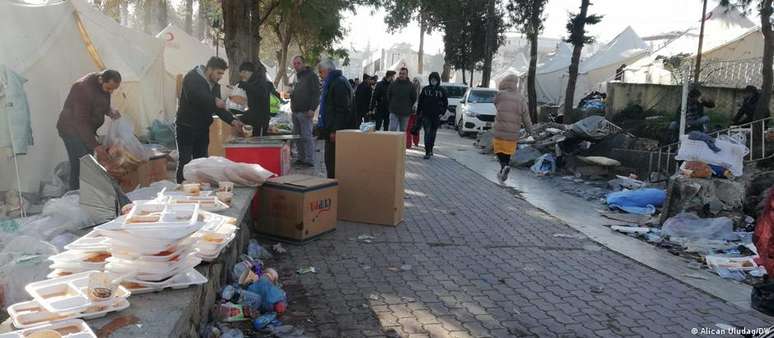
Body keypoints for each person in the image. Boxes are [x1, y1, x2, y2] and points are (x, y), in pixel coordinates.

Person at [175, 56, 244, 183]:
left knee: (202, 162)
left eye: (222, 74)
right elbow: (195, 96)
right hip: (186, 127)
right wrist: (213, 100)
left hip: (202, 128)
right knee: (185, 162)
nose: (220, 77)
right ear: (209, 69)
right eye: (218, 73)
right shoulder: (192, 77)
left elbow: (218, 108)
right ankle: (180, 189)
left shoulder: (215, 85)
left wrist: (232, 121)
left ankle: (199, 189)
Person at [57, 69, 123, 190]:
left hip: (87, 130)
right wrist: (96, 145)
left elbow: (101, 104)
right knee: (81, 164)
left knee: (90, 163)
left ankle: (88, 194)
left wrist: (110, 111)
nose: (111, 92)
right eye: (109, 89)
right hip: (71, 129)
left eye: (114, 89)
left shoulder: (104, 86)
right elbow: (81, 121)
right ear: (101, 80)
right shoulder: (82, 88)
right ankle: (75, 195)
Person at [317, 59, 354, 179]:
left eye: (321, 72)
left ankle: (333, 186)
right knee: (330, 161)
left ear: (327, 71)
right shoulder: (335, 81)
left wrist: (335, 130)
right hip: (333, 129)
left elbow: (342, 109)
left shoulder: (338, 83)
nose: (320, 75)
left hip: (337, 131)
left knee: (332, 162)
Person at [493, 74, 533, 182]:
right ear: (516, 84)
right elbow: (526, 116)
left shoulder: (500, 95)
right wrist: (530, 131)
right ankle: (504, 168)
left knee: (498, 149)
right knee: (507, 151)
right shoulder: (521, 98)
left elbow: (495, 104)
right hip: (513, 131)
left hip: (500, 129)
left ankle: (503, 166)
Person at [290, 55, 321, 167]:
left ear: (303, 63)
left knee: (306, 137)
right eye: (294, 64)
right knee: (298, 137)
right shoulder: (296, 76)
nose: (296, 66)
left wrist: (312, 108)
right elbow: (294, 91)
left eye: (298, 63)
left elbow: (316, 93)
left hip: (305, 112)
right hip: (295, 111)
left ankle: (309, 160)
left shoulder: (311, 75)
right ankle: (301, 158)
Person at [237, 62, 278, 136]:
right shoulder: (253, 81)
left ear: (245, 72)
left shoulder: (260, 80)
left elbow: (261, 93)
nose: (243, 78)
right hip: (254, 117)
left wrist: (246, 86)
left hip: (261, 120)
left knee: (259, 142)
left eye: (242, 75)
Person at [417, 72, 448, 159]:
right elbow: (420, 102)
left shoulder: (442, 90)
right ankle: (427, 151)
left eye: (435, 79)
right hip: (426, 115)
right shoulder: (425, 90)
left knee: (433, 134)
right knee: (427, 133)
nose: (433, 81)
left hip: (436, 116)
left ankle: (430, 149)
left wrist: (442, 113)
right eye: (431, 79)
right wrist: (418, 113)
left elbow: (445, 103)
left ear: (438, 80)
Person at [386, 67, 417, 132]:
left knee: (403, 130)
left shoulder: (411, 86)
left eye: (403, 74)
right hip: (394, 111)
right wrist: (392, 104)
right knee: (392, 129)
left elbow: (414, 98)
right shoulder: (393, 84)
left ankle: (401, 142)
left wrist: (408, 105)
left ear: (406, 75)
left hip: (405, 113)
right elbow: (388, 96)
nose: (401, 75)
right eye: (400, 73)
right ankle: (391, 142)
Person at [405, 76, 422, 149]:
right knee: (408, 127)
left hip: (418, 112)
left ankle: (416, 141)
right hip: (409, 111)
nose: (415, 82)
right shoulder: (410, 90)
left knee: (416, 127)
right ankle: (408, 143)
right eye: (414, 80)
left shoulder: (422, 91)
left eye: (416, 81)